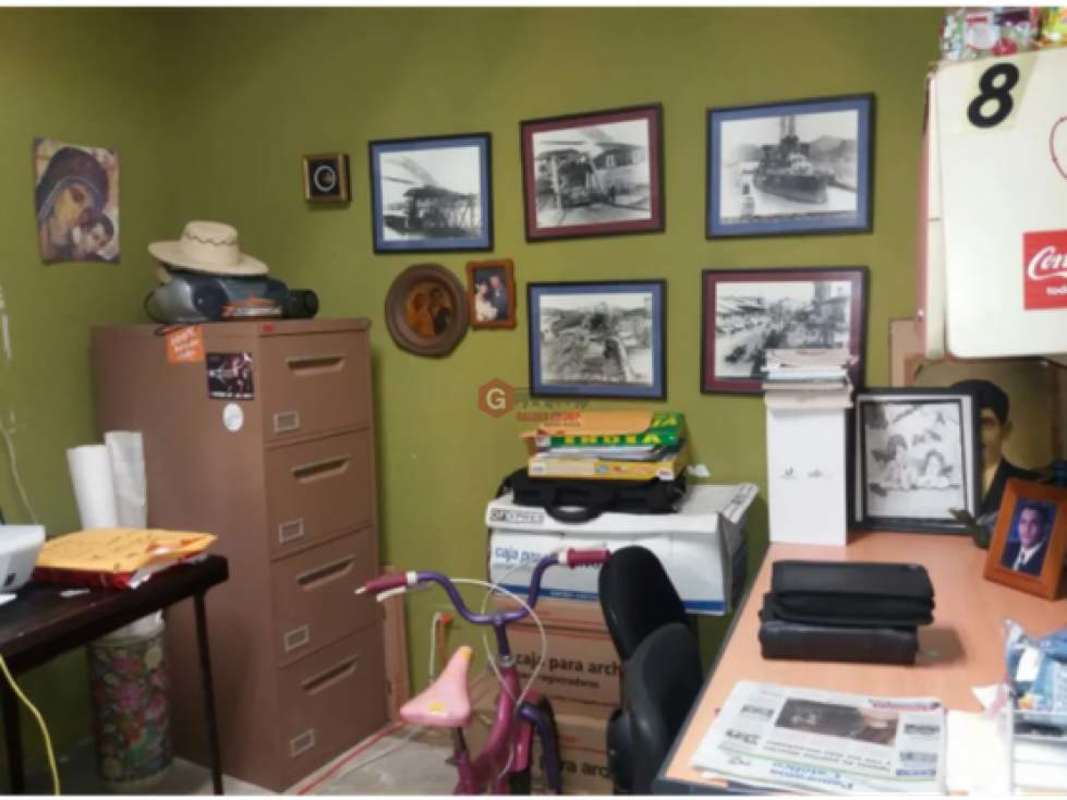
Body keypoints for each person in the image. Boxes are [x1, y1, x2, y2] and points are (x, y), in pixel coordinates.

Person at [952, 380, 1039, 515]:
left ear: (1006, 430)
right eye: (963, 420)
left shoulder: (1033, 486)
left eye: (985, 423)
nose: (974, 434)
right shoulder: (930, 491)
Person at [35, 145, 110, 262]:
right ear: (55, 189)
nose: (79, 214)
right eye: (77, 197)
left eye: (87, 211)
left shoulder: (77, 256)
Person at [1001, 504, 1052, 576]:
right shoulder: (1006, 548)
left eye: (1034, 523)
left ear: (1044, 527)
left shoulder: (1048, 561)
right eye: (1023, 522)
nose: (1027, 529)